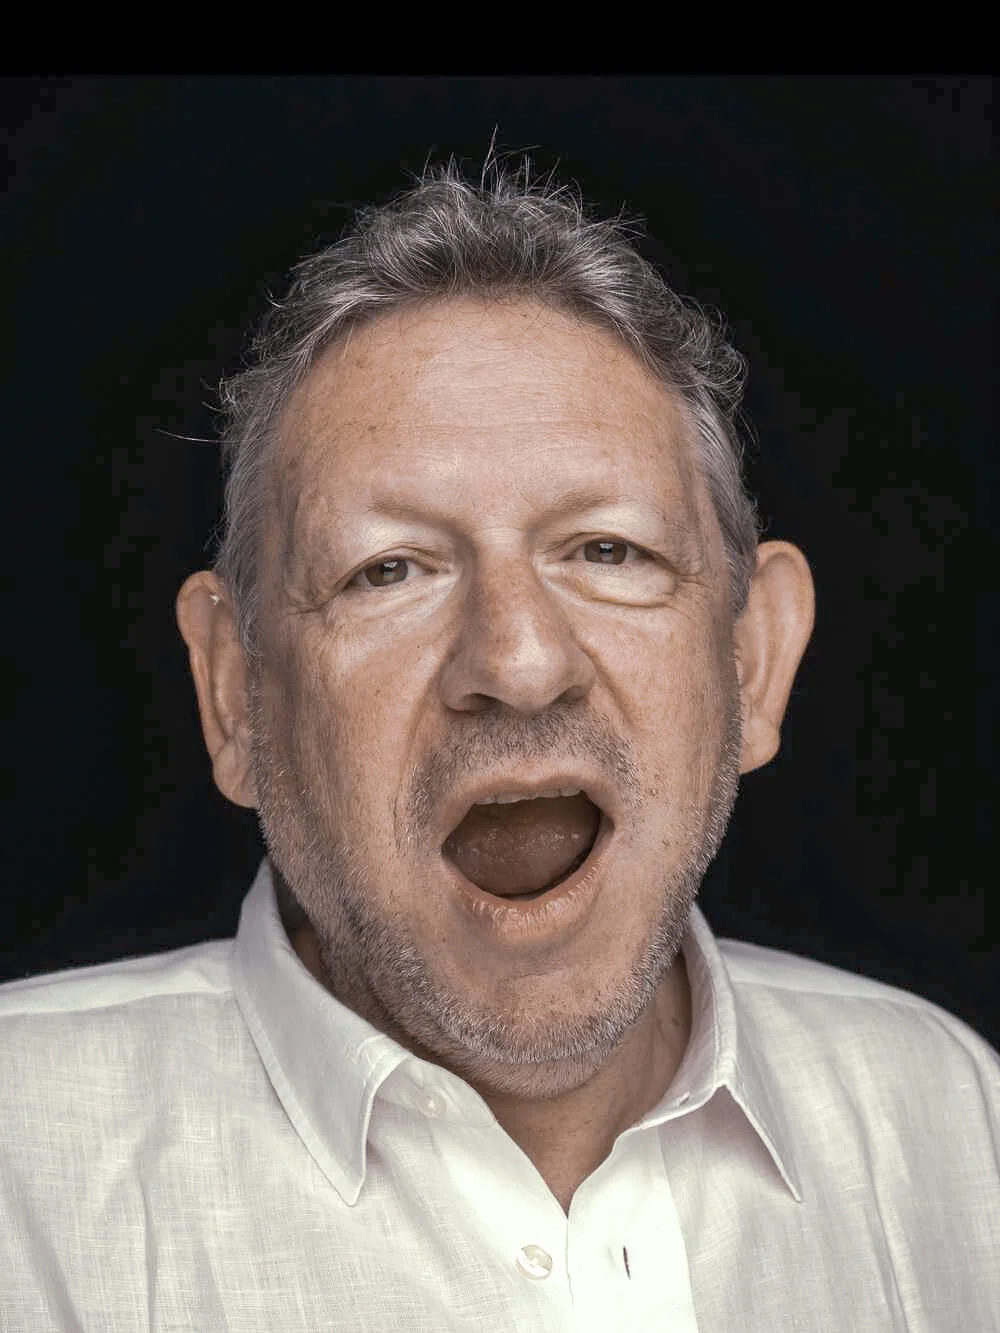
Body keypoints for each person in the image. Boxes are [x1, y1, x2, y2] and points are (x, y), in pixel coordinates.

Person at [2, 158, 997, 1333]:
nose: (519, 662)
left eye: (608, 550)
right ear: (236, 695)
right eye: (389, 570)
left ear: (750, 661)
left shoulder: (954, 1118)